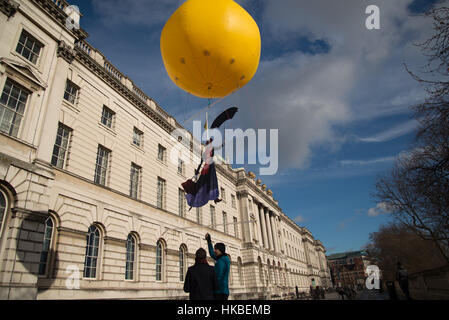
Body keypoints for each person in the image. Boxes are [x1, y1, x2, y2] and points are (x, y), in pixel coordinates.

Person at [205, 233, 230, 300]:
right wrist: (209, 241)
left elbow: (218, 275)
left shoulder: (222, 260)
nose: (214, 250)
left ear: (220, 250)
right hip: (222, 290)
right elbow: (212, 254)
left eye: (216, 249)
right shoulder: (221, 257)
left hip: (220, 291)